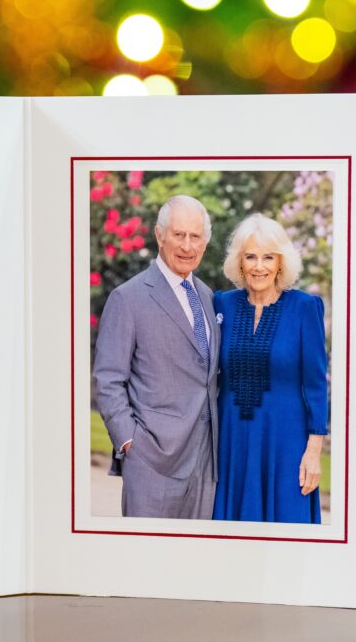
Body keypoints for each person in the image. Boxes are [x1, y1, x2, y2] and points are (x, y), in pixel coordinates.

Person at [93, 195, 220, 519]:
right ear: (159, 235)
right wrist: (128, 442)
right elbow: (108, 378)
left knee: (195, 563)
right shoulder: (128, 298)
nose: (188, 246)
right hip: (151, 462)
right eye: (179, 235)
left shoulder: (207, 296)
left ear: (205, 242)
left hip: (205, 463)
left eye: (196, 237)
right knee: (145, 562)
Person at [212, 213, 328, 524]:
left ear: (281, 263)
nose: (259, 266)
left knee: (286, 540)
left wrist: (313, 451)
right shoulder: (222, 304)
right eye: (250, 256)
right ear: (239, 262)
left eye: (268, 257)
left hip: (286, 446)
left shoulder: (305, 308)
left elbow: (317, 385)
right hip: (232, 443)